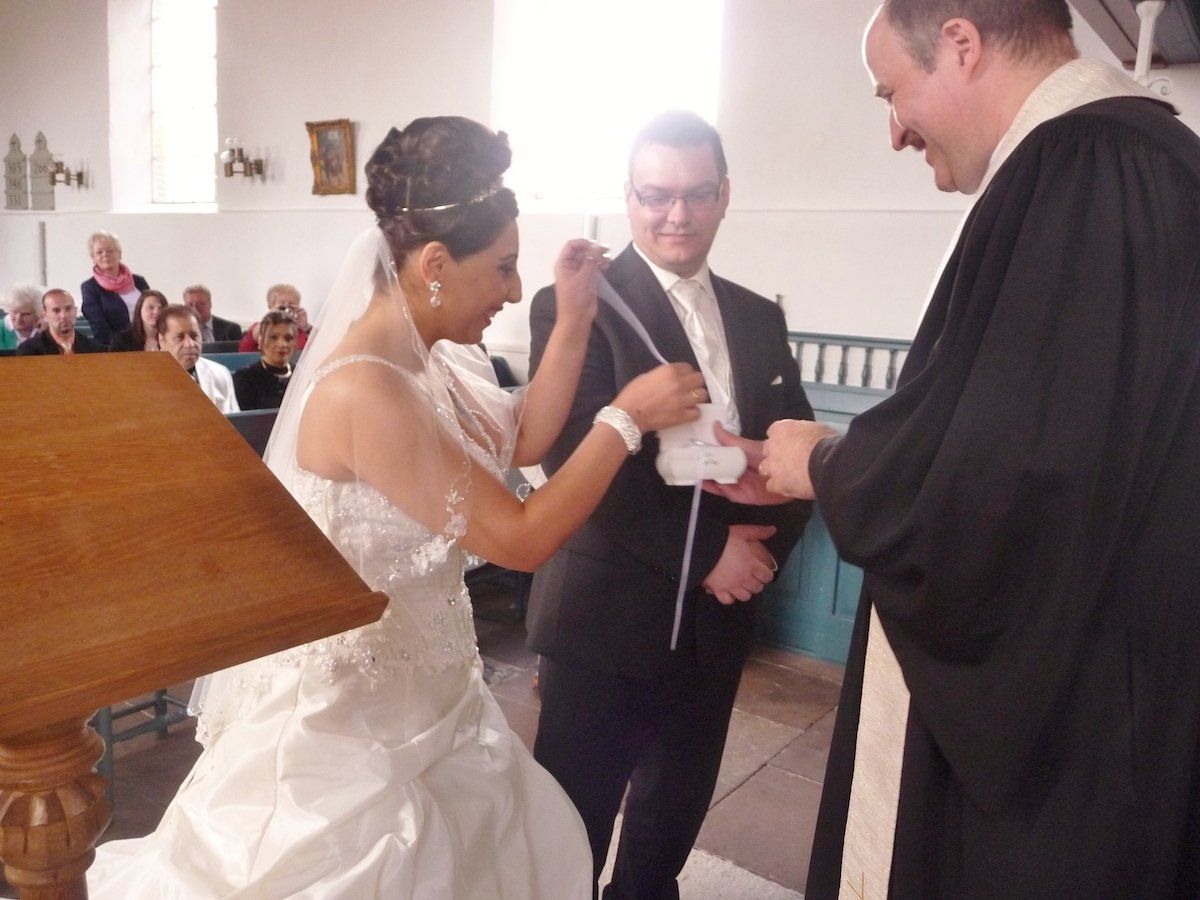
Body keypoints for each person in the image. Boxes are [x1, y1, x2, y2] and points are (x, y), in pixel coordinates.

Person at [87, 115, 703, 898]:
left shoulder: (434, 359)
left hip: (432, 694)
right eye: (504, 267)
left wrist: (575, 319)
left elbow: (521, 437)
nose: (515, 289)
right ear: (436, 264)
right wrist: (625, 418)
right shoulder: (364, 389)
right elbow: (520, 538)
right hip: (352, 729)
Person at [712, 2, 1200, 896]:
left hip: (1074, 729)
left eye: (892, 92)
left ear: (962, 46)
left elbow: (1007, 486)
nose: (895, 131)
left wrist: (825, 463)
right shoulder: (1131, 163)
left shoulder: (1085, 170)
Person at [526, 110, 815, 899]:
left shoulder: (758, 315)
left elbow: (789, 448)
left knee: (670, 823)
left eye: (696, 194)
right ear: (628, 196)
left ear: (724, 196)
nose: (676, 214)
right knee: (570, 829)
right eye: (656, 195)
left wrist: (757, 556)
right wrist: (710, 556)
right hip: (605, 615)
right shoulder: (574, 304)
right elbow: (573, 459)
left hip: (718, 622)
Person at [157, 304, 240, 413]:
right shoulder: (145, 379)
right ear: (162, 341)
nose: (190, 344)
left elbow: (236, 420)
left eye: (194, 336)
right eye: (180, 337)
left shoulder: (220, 373)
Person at [80, 231, 150, 346]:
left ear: (119, 254)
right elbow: (99, 327)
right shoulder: (89, 288)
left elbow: (154, 309)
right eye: (99, 252)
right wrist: (122, 347)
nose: (105, 254)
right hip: (115, 347)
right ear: (93, 258)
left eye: (110, 250)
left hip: (147, 342)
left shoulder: (139, 281)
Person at [232, 309, 297, 409]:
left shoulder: (301, 375)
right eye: (273, 337)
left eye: (288, 338)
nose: (282, 344)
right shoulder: (244, 378)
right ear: (261, 341)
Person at [16, 289, 103, 355]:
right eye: (56, 310)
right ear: (45, 316)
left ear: (75, 311)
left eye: (68, 309)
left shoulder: (94, 349)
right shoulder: (29, 351)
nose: (63, 316)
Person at [238, 283, 311, 352]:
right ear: (270, 306)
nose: (287, 307)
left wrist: (305, 327)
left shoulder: (300, 331)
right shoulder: (259, 327)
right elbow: (246, 347)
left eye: (291, 304)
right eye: (282, 304)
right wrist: (271, 317)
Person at [0, 283, 44, 350]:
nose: (18, 319)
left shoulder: (44, 330)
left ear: (37, 314)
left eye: (25, 314)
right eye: (15, 312)